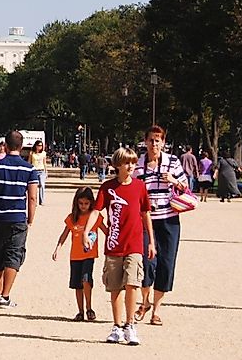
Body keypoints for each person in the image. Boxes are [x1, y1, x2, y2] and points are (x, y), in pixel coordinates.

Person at [84, 147, 155, 346]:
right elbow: (96, 213)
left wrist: (151, 241)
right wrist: (86, 233)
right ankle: (117, 326)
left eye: (133, 162)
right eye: (126, 163)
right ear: (117, 165)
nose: (131, 166)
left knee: (133, 284)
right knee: (115, 287)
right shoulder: (107, 188)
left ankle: (130, 325)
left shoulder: (140, 187)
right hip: (114, 244)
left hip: (135, 244)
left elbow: (145, 214)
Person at [132, 125, 188, 327]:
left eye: (158, 140)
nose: (154, 144)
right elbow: (132, 189)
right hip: (146, 220)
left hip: (169, 220)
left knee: (166, 263)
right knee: (147, 263)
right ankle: (144, 301)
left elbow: (186, 187)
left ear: (163, 142)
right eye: (151, 140)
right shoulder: (138, 165)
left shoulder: (173, 162)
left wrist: (174, 181)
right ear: (145, 142)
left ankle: (156, 310)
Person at [0, 130, 39, 308]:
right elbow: (33, 197)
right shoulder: (29, 170)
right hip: (17, 217)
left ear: (5, 145)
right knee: (14, 254)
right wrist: (30, 217)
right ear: (21, 147)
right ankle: (5, 295)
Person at [52, 187, 107, 322]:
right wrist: (58, 248)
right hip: (75, 256)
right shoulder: (72, 218)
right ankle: (80, 311)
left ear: (91, 203)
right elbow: (65, 234)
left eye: (86, 203)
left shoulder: (95, 217)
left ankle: (89, 308)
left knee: (86, 280)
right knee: (77, 284)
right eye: (80, 203)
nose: (83, 206)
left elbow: (106, 231)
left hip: (88, 255)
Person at [28, 140, 47, 205]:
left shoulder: (43, 153)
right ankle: (34, 201)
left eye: (41, 146)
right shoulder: (32, 153)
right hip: (34, 170)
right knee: (34, 186)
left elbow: (44, 163)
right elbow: (29, 162)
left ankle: (41, 200)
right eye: (38, 145)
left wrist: (46, 171)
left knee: (42, 185)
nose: (40, 147)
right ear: (35, 146)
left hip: (41, 170)